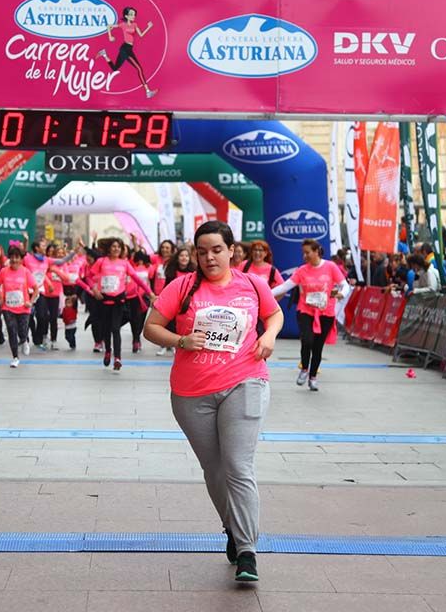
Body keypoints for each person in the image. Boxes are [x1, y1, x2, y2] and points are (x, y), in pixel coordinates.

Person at [142, 221, 283, 583]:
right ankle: (232, 530)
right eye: (202, 251)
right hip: (192, 393)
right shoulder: (182, 286)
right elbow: (151, 327)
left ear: (231, 250)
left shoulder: (252, 284)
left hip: (245, 381)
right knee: (215, 469)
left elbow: (274, 314)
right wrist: (180, 340)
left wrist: (268, 336)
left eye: (216, 249)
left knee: (238, 465)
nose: (209, 257)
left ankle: (248, 550)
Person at [271, 239, 349, 391]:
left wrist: (341, 294)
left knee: (318, 347)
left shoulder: (330, 267)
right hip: (306, 310)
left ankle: (313, 377)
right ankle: (304, 368)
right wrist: (265, 293)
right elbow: (285, 286)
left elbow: (345, 285)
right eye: (303, 253)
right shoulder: (302, 270)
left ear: (316, 252)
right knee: (307, 341)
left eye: (307, 252)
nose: (305, 256)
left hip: (325, 312)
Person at [87, 238, 153, 370]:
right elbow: (89, 276)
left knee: (116, 329)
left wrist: (150, 293)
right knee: (106, 328)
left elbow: (137, 279)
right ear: (109, 249)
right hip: (104, 300)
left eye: (119, 247)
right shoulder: (101, 261)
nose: (116, 249)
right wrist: (94, 290)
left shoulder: (124, 263)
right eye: (114, 246)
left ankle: (117, 358)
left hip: (118, 301)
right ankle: (107, 351)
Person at [97, 5, 157, 98]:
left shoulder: (135, 25)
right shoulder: (123, 25)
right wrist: (110, 36)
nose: (133, 16)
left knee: (115, 68)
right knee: (139, 69)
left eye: (134, 14)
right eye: (131, 14)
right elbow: (109, 26)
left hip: (128, 49)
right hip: (125, 49)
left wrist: (148, 27)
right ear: (126, 16)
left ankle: (104, 54)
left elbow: (141, 35)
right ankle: (147, 91)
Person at [0, 246, 39, 368]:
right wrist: (0, 298)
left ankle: (24, 340)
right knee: (11, 331)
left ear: (21, 259)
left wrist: (30, 301)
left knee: (22, 331)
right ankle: (15, 357)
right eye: (12, 257)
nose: (14, 260)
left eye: (17, 257)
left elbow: (35, 288)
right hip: (8, 307)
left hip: (23, 308)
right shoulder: (4, 271)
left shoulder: (25, 272)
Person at [127, 250, 154, 352]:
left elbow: (151, 279)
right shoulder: (132, 267)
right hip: (134, 296)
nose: (140, 260)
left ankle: (137, 337)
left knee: (142, 319)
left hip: (145, 296)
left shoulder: (149, 268)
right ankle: (136, 339)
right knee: (134, 319)